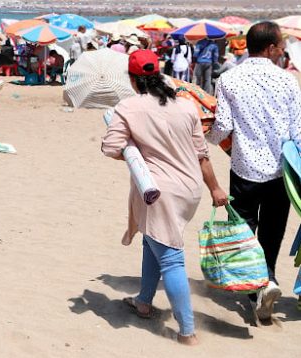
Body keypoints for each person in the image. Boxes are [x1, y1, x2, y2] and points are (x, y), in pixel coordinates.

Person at [102, 50, 228, 346]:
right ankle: (144, 302)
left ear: (133, 80)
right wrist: (215, 189)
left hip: (158, 191)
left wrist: (137, 155)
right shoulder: (185, 106)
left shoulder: (128, 107)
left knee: (171, 258)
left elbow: (110, 147)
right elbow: (202, 155)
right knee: (152, 241)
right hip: (191, 188)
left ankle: (187, 332)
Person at [207, 21, 301, 320]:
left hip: (244, 167)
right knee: (273, 230)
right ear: (271, 48)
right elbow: (298, 131)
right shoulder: (288, 81)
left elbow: (222, 127)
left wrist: (208, 137)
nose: (283, 50)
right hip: (280, 170)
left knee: (245, 230)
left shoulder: (228, 79)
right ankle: (269, 279)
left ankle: (255, 288)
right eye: (281, 46)